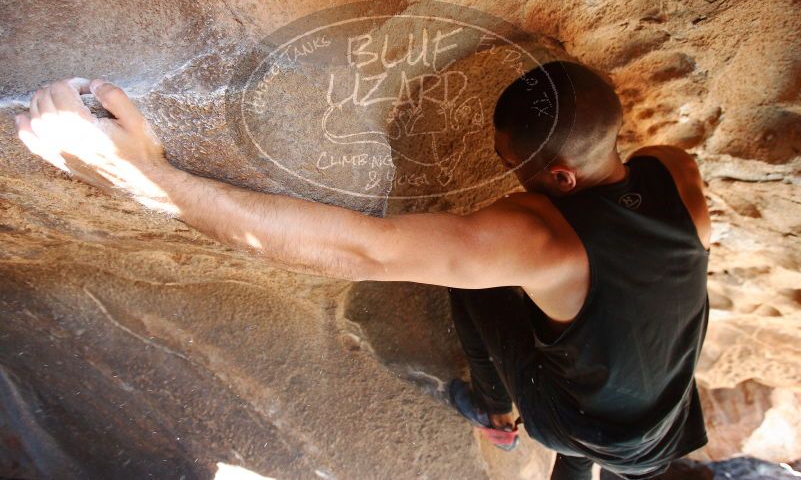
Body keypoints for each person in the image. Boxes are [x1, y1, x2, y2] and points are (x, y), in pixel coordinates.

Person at [13, 60, 711, 479]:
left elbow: (363, 249)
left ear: (557, 176)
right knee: (589, 350)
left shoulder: (537, 242)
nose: (505, 174)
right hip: (664, 388)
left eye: (510, 166)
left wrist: (143, 176)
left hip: (582, 417)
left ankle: (495, 408)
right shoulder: (671, 173)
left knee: (472, 288)